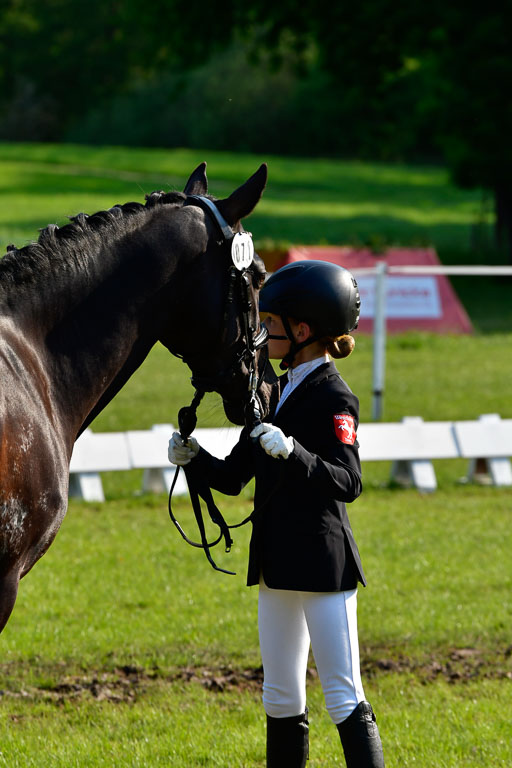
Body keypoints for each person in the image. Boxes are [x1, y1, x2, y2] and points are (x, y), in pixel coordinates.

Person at [168, 260, 385, 767]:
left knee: (343, 695)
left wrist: (294, 453)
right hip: (275, 564)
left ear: (303, 330)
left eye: (270, 323)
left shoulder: (335, 395)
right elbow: (234, 476)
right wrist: (193, 457)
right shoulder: (270, 392)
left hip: (322, 565)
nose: (261, 333)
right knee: (281, 697)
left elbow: (348, 481)